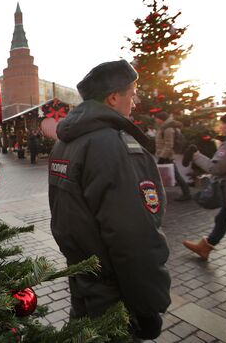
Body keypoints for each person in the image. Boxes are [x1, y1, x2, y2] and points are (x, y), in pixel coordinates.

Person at [49, 60, 171, 341]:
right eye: (132, 92)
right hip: (115, 292)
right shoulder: (113, 145)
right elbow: (134, 237)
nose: (135, 100)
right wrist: (148, 306)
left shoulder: (65, 142)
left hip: (84, 279)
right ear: (114, 97)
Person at [181, 110, 226, 260]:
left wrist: (196, 156)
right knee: (221, 219)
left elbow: (216, 168)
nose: (222, 126)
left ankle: (204, 247)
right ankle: (204, 247)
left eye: (224, 123)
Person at [154, 111, 191, 201]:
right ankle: (186, 193)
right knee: (172, 175)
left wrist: (162, 157)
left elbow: (169, 145)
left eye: (156, 118)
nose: (155, 120)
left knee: (173, 175)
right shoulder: (164, 127)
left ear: (161, 119)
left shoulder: (168, 129)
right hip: (165, 155)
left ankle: (186, 194)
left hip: (166, 157)